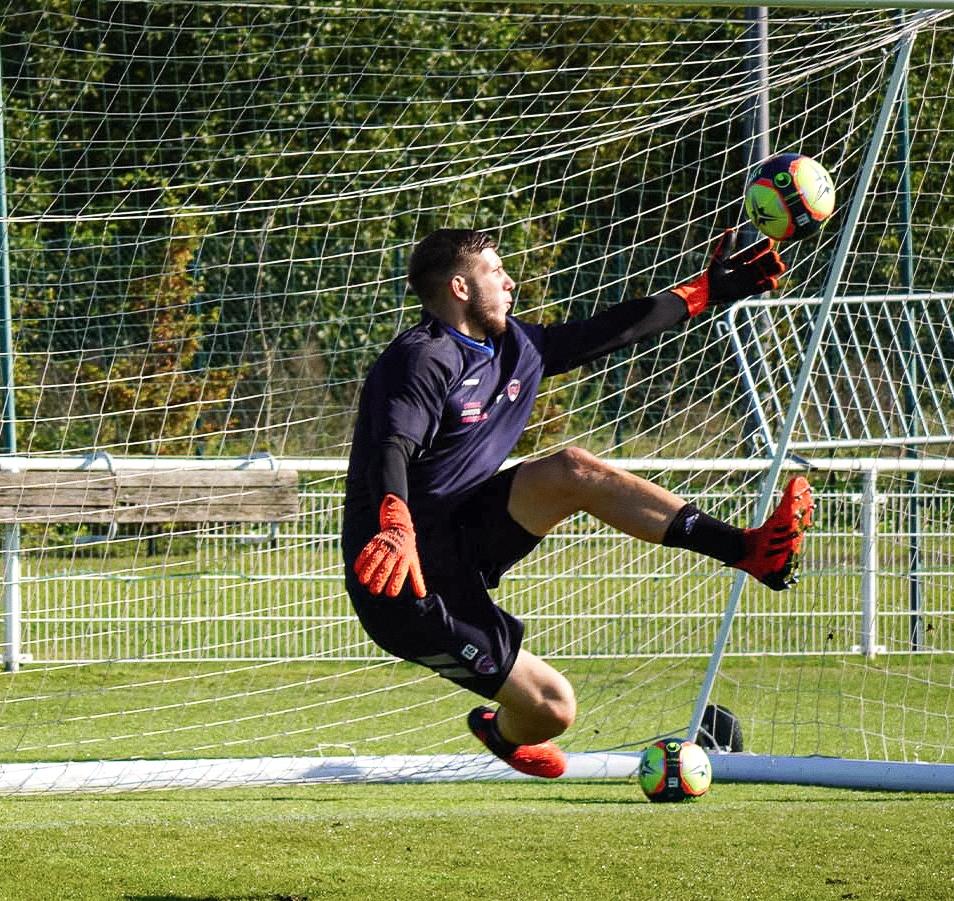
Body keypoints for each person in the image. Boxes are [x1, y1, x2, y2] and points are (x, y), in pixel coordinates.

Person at [342, 227, 813, 778]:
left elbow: (607, 331)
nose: (510, 281)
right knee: (553, 709)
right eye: (496, 271)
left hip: (464, 533)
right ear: (460, 288)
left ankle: (750, 551)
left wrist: (705, 293)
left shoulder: (516, 347)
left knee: (573, 469)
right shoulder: (422, 358)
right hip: (402, 575)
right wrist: (394, 519)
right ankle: (502, 731)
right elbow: (389, 447)